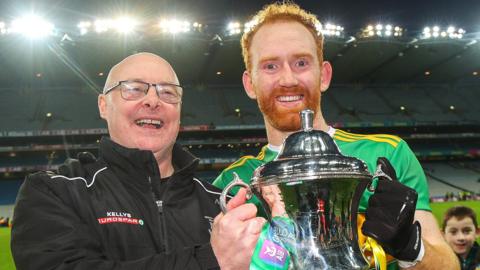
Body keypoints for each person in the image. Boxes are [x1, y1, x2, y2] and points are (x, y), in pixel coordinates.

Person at [213, 2, 459, 269]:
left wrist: (410, 249)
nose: (287, 79)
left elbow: (448, 264)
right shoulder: (231, 182)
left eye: (301, 62)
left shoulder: (387, 155)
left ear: (324, 75)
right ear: (250, 84)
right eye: (270, 66)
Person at [11, 52, 263, 270]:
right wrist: (209, 261)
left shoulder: (220, 203)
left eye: (168, 92)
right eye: (133, 89)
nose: (153, 100)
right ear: (103, 105)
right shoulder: (55, 191)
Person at [442, 206, 480, 270]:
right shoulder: (440, 260)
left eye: (467, 231)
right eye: (453, 232)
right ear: (443, 235)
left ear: (477, 232)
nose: (461, 238)